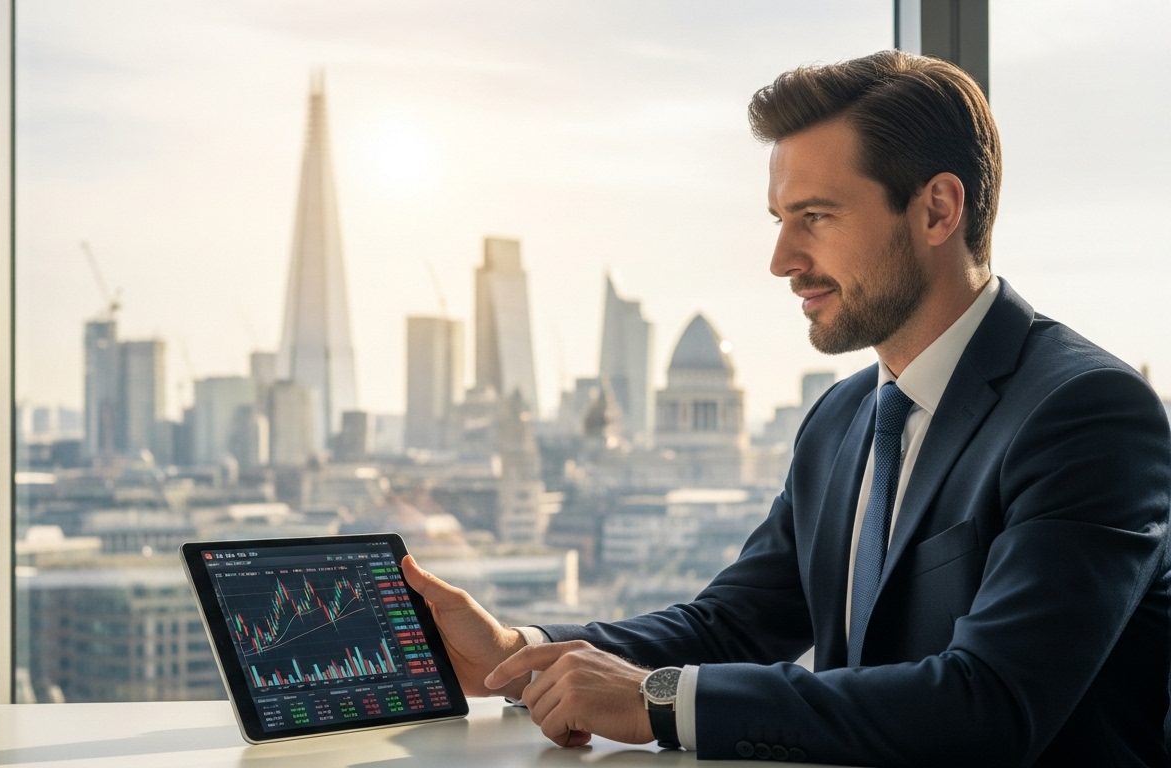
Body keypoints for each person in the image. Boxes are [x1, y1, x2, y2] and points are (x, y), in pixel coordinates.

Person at [401, 50, 1171, 767]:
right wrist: (519, 648)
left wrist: (659, 700)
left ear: (937, 210)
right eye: (780, 221)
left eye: (817, 217)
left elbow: (992, 704)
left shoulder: (1087, 415)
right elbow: (732, 625)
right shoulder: (842, 421)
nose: (781, 261)